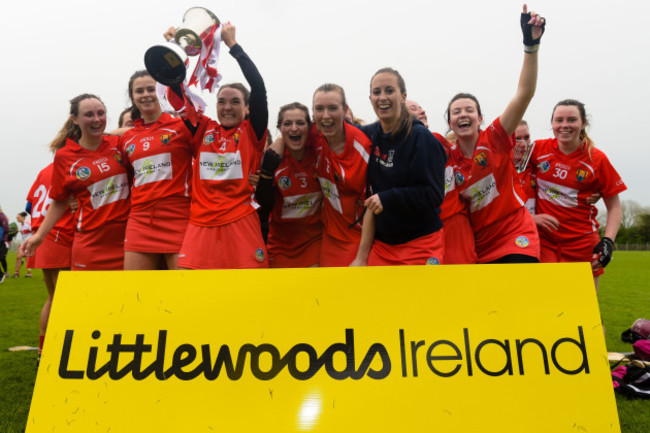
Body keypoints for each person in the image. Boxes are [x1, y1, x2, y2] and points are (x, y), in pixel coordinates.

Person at [445, 5, 545, 264]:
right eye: (456, 112)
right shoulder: (447, 157)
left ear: (480, 119)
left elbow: (525, 94)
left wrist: (530, 46)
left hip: (514, 235)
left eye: (469, 110)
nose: (463, 115)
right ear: (450, 121)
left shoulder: (496, 138)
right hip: (477, 244)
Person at [177, 23, 269, 269]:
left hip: (241, 221)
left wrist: (233, 45)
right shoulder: (204, 129)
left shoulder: (252, 132)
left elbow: (258, 87)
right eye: (221, 101)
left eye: (235, 102)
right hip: (200, 225)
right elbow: (177, 93)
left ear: (247, 108)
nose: (227, 107)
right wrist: (176, 50)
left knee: (248, 293)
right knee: (193, 293)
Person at [21, 94, 130, 270]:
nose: (97, 119)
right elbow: (59, 200)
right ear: (75, 119)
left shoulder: (119, 144)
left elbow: (141, 132)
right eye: (89, 115)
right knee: (90, 298)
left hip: (126, 241)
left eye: (101, 113)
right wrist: (40, 235)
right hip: (90, 243)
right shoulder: (64, 157)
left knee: (129, 297)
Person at [351, 68, 446, 266]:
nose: (382, 97)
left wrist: (388, 198)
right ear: (370, 98)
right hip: (384, 245)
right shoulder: (371, 134)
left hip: (421, 242)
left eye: (389, 90)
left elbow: (433, 194)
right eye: (376, 92)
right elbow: (342, 131)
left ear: (403, 96)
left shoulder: (421, 138)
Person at [529, 99, 626, 290]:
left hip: (582, 245)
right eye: (559, 120)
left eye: (571, 120)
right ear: (552, 124)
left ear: (583, 123)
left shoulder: (597, 159)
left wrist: (608, 241)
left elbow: (614, 206)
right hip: (545, 244)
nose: (565, 125)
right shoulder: (537, 150)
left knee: (585, 312)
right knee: (549, 309)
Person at [119, 70, 198, 270]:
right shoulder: (126, 138)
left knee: (184, 292)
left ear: (161, 91)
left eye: (151, 89)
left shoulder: (181, 126)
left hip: (179, 217)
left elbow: (210, 155)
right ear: (132, 97)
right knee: (137, 294)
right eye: (139, 91)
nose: (145, 94)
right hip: (140, 220)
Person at [312, 83, 372, 267]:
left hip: (356, 239)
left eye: (332, 108)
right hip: (327, 236)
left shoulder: (362, 148)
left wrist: (361, 257)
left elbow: (371, 207)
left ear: (345, 110)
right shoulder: (313, 136)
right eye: (319, 109)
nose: (326, 116)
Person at [257, 103, 323, 268]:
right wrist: (267, 171)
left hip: (315, 245)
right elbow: (264, 208)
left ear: (309, 127)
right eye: (287, 124)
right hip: (280, 249)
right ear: (279, 127)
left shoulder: (319, 153)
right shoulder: (273, 160)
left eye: (300, 123)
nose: (294, 128)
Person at [24, 162, 75, 362]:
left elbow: (30, 205)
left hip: (42, 234)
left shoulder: (45, 170)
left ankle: (43, 351)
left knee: (53, 298)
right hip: (60, 234)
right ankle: (63, 351)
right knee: (66, 300)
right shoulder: (73, 165)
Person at [12, 212, 32, 277]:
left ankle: (29, 273)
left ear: (22, 217)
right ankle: (16, 273)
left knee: (26, 258)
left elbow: (34, 232)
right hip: (22, 243)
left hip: (28, 243)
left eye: (18, 218)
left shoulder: (28, 224)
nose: (17, 219)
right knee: (18, 257)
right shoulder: (20, 226)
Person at [0, 206, 8, 282]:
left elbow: (6, 228)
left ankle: (2, 274)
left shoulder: (1, 216)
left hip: (1, 241)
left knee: (2, 258)